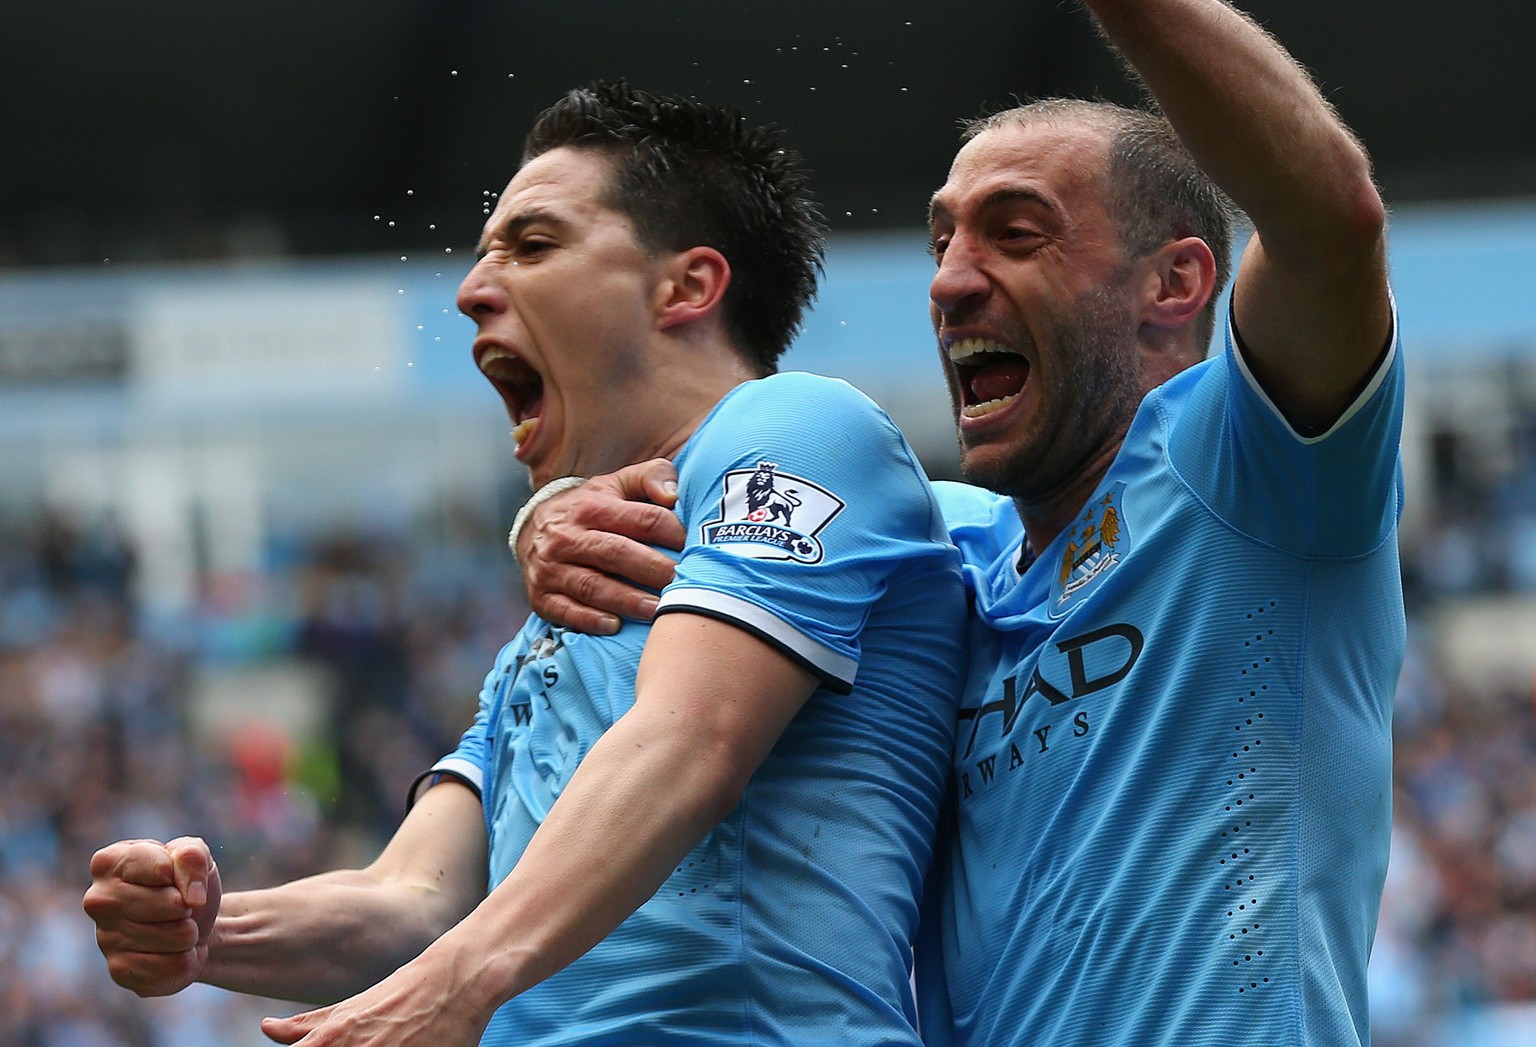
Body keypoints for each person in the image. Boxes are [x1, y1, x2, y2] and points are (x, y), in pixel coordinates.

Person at [510, 2, 1405, 1045]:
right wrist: (545, 510)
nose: (949, 281)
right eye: (943, 239)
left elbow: (1332, 222)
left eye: (1015, 234)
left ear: (1175, 280)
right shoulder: (949, 554)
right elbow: (727, 493)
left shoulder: (1246, 476)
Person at [83, 81, 968, 1046]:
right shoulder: (553, 620)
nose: (471, 291)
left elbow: (692, 740)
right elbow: (415, 897)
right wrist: (208, 930)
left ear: (686, 287)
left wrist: (457, 983)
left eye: (533, 246)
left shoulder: (801, 426)